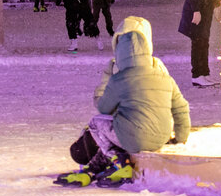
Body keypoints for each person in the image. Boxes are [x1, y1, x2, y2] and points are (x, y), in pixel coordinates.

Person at [54, 16, 191, 187]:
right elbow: (181, 108)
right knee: (116, 136)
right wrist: (180, 138)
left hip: (130, 131)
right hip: (159, 135)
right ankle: (92, 170)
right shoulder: (161, 73)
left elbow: (103, 107)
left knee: (100, 128)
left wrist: (120, 103)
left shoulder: (118, 74)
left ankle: (119, 163)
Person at [178, 0, 221, 87]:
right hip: (197, 13)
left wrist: (216, 6)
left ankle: (204, 73)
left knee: (204, 42)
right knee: (198, 42)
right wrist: (196, 11)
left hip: (204, 12)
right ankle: (197, 75)